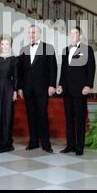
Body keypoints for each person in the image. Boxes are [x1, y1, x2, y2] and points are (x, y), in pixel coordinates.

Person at [56, 27, 95, 156]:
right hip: (67, 90)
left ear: (80, 35)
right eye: (71, 33)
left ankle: (80, 147)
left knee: (80, 119)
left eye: (76, 33)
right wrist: (60, 85)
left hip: (80, 90)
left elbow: (91, 69)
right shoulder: (65, 50)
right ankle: (70, 145)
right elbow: (64, 71)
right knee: (69, 119)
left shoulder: (87, 49)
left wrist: (88, 85)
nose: (73, 35)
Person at [18, 25, 57, 153]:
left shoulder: (48, 48)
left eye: (34, 32)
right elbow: (20, 71)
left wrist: (52, 85)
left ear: (39, 34)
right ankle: (33, 142)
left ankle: (46, 143)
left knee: (42, 114)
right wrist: (20, 88)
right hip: (27, 89)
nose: (32, 34)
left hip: (42, 88)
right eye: (30, 32)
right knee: (30, 115)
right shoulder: (23, 49)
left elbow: (53, 69)